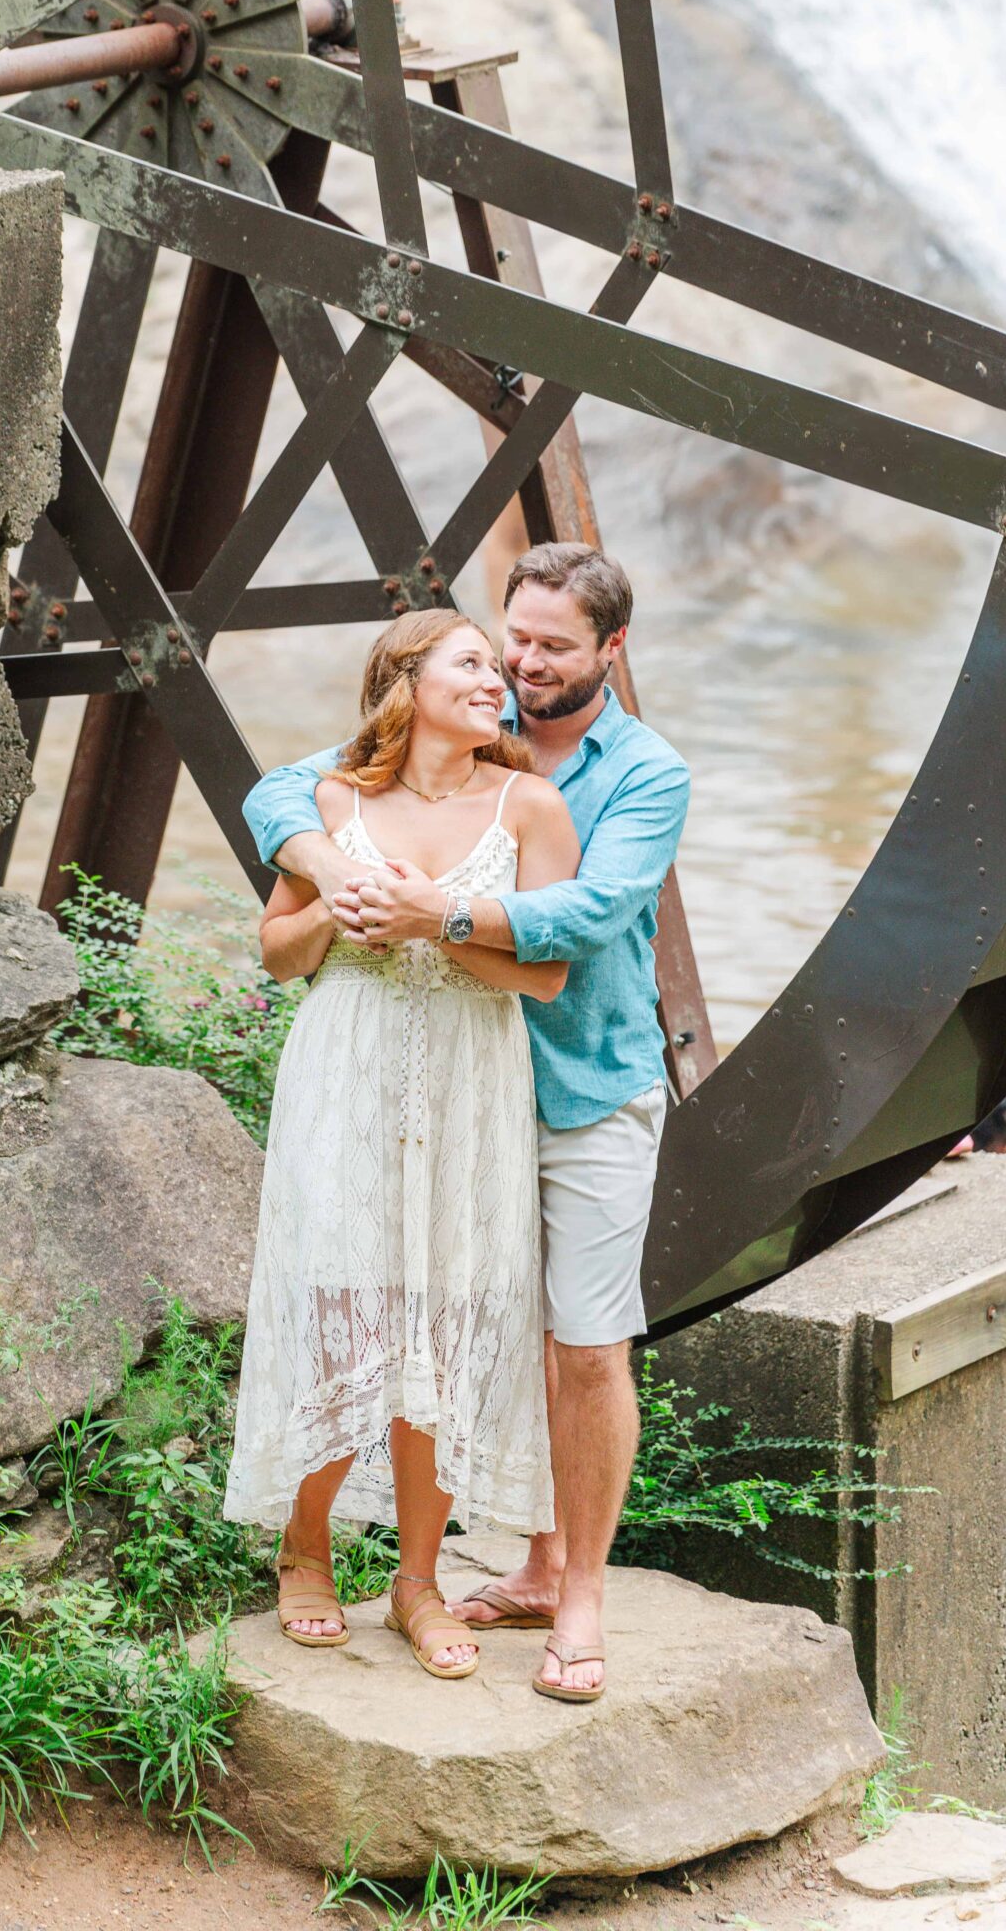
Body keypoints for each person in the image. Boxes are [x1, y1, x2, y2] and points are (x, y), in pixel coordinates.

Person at [242, 543, 689, 1703]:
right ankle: (328, 1551)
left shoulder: (634, 775)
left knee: (579, 1343)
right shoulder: (389, 765)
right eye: (504, 641)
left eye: (546, 648)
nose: (518, 666)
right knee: (372, 1310)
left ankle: (568, 1589)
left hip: (576, 1085)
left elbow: (582, 920)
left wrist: (435, 914)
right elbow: (282, 796)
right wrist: (328, 871)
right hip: (396, 1084)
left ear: (611, 650)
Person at [223, 608, 578, 1683]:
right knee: (346, 1311)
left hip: (471, 1079)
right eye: (470, 662)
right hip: (349, 1074)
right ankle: (306, 1549)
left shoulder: (531, 807)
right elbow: (279, 954)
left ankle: (416, 1582)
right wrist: (337, 910)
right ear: (405, 682)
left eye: (495, 668)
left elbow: (545, 976)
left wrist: (437, 922)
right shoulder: (333, 807)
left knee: (447, 1319)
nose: (497, 679)